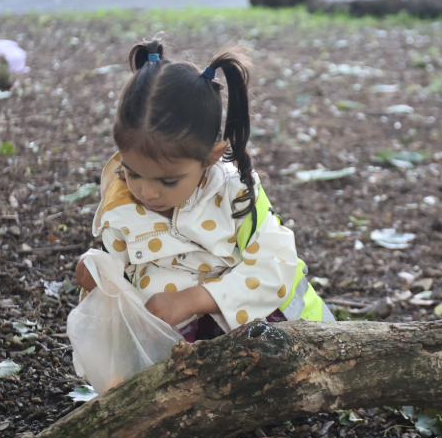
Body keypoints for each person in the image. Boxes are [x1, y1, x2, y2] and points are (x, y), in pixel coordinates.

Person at [74, 39, 334, 342]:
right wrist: (96, 271)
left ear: (211, 157)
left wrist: (192, 300)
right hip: (166, 350)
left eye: (168, 181)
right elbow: (114, 261)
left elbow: (276, 269)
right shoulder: (121, 201)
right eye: (132, 172)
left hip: (267, 338)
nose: (147, 192)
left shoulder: (234, 194)